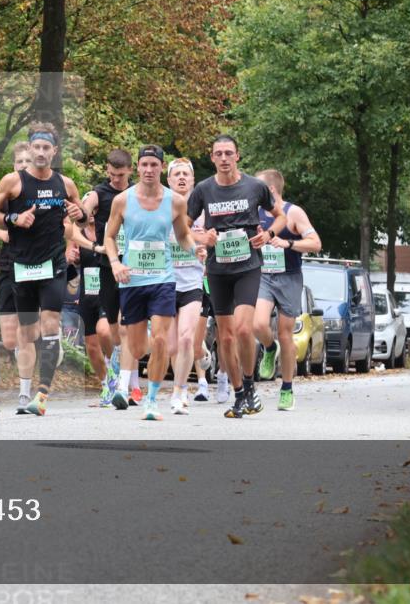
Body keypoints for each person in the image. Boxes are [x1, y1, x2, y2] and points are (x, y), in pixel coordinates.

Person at [0, 122, 87, 416]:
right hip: (21, 266)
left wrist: (80, 214)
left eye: (46, 148)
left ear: (54, 151)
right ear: (29, 149)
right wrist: (13, 219)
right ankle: (24, 391)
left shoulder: (65, 184)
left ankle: (42, 393)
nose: (41, 152)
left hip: (53, 265)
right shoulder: (12, 182)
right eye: (36, 147)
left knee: (50, 323)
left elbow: (81, 220)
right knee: (26, 334)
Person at [186, 135, 286, 419]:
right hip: (218, 270)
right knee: (225, 338)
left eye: (229, 153)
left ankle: (251, 385)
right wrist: (202, 237)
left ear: (237, 156)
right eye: (219, 153)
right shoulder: (204, 190)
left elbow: (280, 216)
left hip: (248, 266)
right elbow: (184, 227)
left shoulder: (254, 186)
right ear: (212, 157)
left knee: (244, 330)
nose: (224, 158)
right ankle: (240, 393)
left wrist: (268, 234)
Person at [105, 145, 199, 421]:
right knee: (137, 348)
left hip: (163, 279)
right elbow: (109, 237)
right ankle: (134, 381)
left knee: (160, 340)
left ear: (161, 167)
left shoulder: (175, 202)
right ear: (137, 167)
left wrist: (196, 249)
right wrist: (115, 263)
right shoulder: (122, 200)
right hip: (132, 280)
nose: (149, 170)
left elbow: (182, 236)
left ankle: (152, 399)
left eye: (154, 165)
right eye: (144, 165)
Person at [251, 169, 322, 411]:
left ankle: (287, 388)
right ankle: (269, 349)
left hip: (290, 278)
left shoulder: (293, 213)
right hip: (263, 276)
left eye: (257, 187)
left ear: (270, 190)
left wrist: (288, 243)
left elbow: (316, 243)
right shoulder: (255, 212)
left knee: (285, 333)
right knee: (258, 324)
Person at [82, 149, 137, 401]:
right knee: (110, 331)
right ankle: (114, 364)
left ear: (130, 171)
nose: (116, 179)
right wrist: (81, 213)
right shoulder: (99, 193)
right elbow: (85, 211)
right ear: (107, 170)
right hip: (107, 266)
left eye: (121, 175)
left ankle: (125, 385)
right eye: (112, 174)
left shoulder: (137, 193)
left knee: (127, 327)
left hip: (135, 266)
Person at [0, 143, 34, 393]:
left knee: (27, 333)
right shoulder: (7, 192)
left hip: (35, 266)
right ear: (14, 165)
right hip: (9, 264)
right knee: (10, 338)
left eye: (28, 161)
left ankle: (25, 388)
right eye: (19, 161)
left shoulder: (41, 191)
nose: (23, 165)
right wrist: (3, 236)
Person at [163, 157, 209, 415]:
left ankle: (179, 391)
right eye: (176, 174)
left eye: (186, 174)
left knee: (187, 338)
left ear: (193, 180)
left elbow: (216, 237)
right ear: (168, 180)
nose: (181, 178)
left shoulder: (203, 210)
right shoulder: (160, 208)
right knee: (171, 346)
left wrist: (204, 247)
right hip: (167, 281)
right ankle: (181, 381)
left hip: (194, 280)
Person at [66, 219, 115, 402]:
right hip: (87, 296)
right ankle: (106, 385)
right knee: (92, 347)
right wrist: (71, 258)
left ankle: (114, 368)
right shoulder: (77, 233)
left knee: (104, 331)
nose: (92, 214)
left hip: (107, 292)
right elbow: (68, 260)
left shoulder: (110, 227)